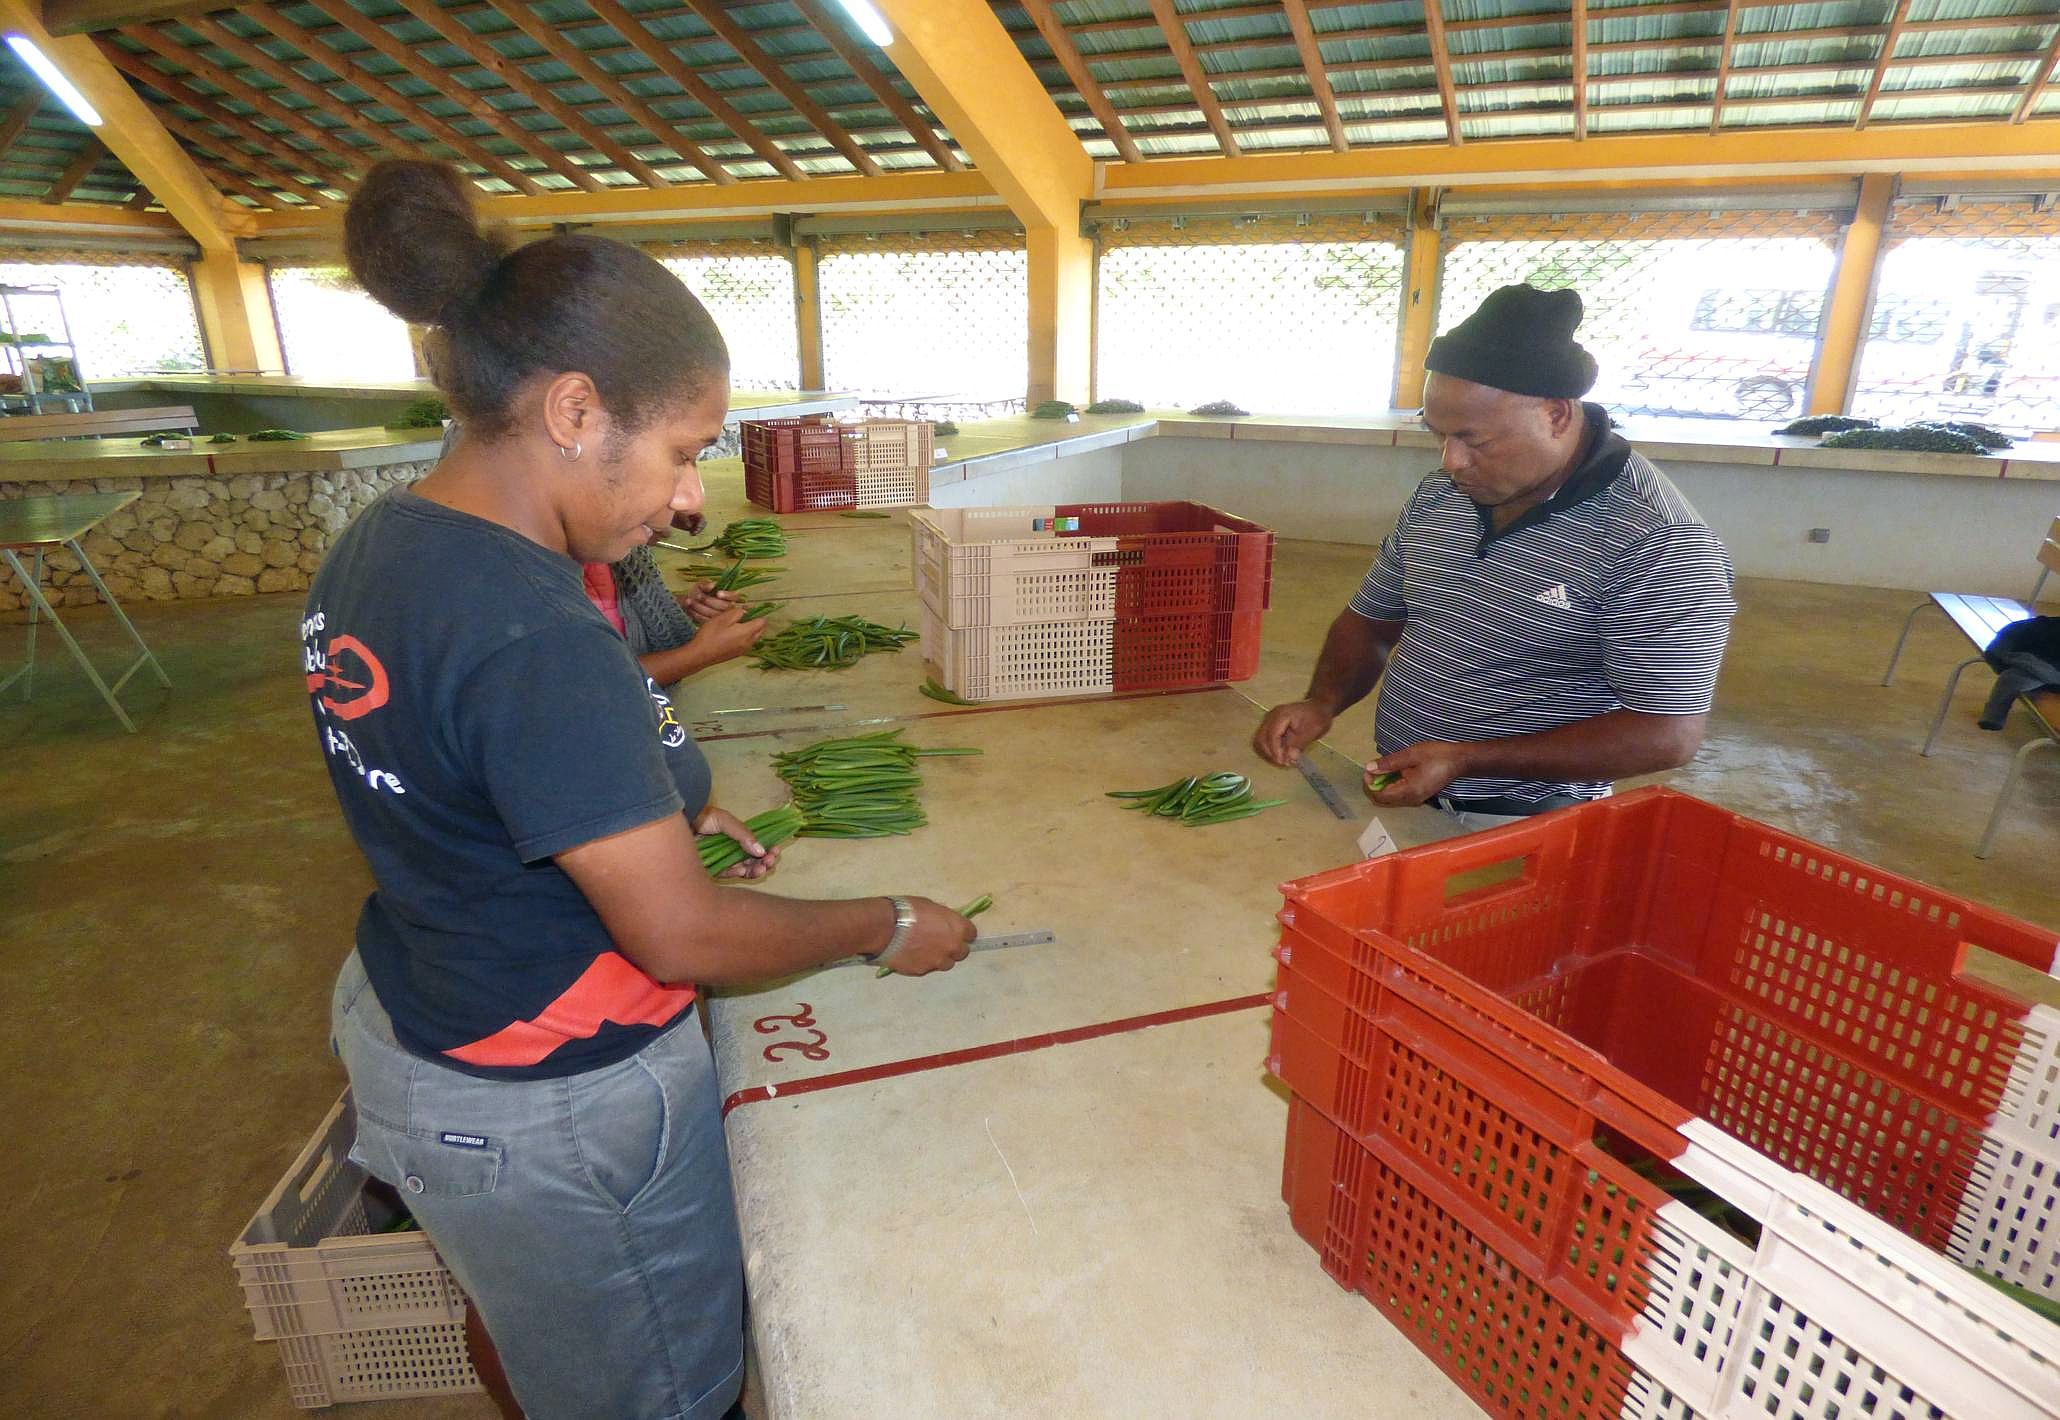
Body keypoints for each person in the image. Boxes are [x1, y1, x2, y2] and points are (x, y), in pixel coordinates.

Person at [306, 160, 975, 1420]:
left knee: (535, 1327)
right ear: (572, 410)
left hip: (417, 1011)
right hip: (546, 1090)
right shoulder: (534, 630)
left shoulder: (387, 543)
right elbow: (683, 932)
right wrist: (882, 922)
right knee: (657, 1385)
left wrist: (647, 798)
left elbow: (468, 765)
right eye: (681, 451)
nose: (685, 498)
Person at [1253, 283, 1737, 832]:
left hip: (1527, 820)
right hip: (1408, 788)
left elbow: (1666, 733)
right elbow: (1374, 619)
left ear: (1555, 415)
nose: (1451, 461)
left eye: (1473, 440)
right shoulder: (1441, 496)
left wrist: (1466, 758)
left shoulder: (1659, 540)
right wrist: (1322, 701)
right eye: (1438, 435)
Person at [440, 421, 771, 685]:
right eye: (681, 458)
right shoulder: (523, 598)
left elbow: (610, 609)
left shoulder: (596, 555)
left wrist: (679, 602)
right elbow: (585, 684)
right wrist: (696, 655)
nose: (690, 497)